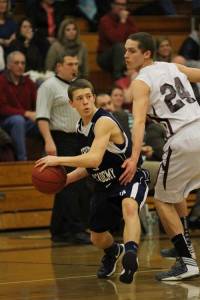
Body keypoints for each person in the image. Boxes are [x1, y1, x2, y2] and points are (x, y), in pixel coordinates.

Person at [35, 78, 150, 284]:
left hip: (127, 177)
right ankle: (114, 251)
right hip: (103, 186)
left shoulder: (103, 121)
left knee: (129, 206)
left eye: (89, 96)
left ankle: (131, 256)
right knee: (97, 237)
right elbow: (90, 166)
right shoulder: (80, 126)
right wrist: (66, 179)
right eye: (80, 98)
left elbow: (95, 157)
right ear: (72, 104)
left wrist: (58, 159)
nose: (86, 102)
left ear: (94, 98)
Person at [122, 32, 200, 280]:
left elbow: (139, 122)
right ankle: (184, 246)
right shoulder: (172, 66)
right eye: (125, 50)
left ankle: (187, 262)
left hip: (183, 138)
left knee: (162, 200)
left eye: (132, 50)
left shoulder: (141, 81)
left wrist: (134, 157)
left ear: (146, 53)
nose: (126, 55)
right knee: (175, 193)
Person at [36, 53, 90, 245]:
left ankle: (59, 231)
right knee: (68, 185)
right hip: (60, 138)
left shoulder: (80, 86)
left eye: (76, 63)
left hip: (79, 138)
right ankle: (77, 229)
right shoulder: (48, 86)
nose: (74, 67)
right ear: (59, 66)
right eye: (69, 64)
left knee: (72, 185)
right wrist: (48, 141)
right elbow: (42, 116)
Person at [0, 51, 38, 160]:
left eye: (23, 63)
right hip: (5, 122)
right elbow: (2, 108)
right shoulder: (1, 81)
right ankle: (23, 160)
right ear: (8, 65)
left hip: (25, 122)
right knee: (18, 120)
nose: (20, 66)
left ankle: (50, 158)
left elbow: (36, 104)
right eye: (16, 63)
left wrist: (40, 115)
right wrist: (25, 113)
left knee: (44, 121)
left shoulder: (29, 82)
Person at [97, 0, 138, 80]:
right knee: (119, 47)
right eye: (118, 4)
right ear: (112, 5)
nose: (121, 7)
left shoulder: (129, 20)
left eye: (123, 5)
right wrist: (122, 21)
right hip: (105, 57)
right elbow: (116, 39)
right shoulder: (105, 20)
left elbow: (136, 37)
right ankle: (118, 78)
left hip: (125, 53)